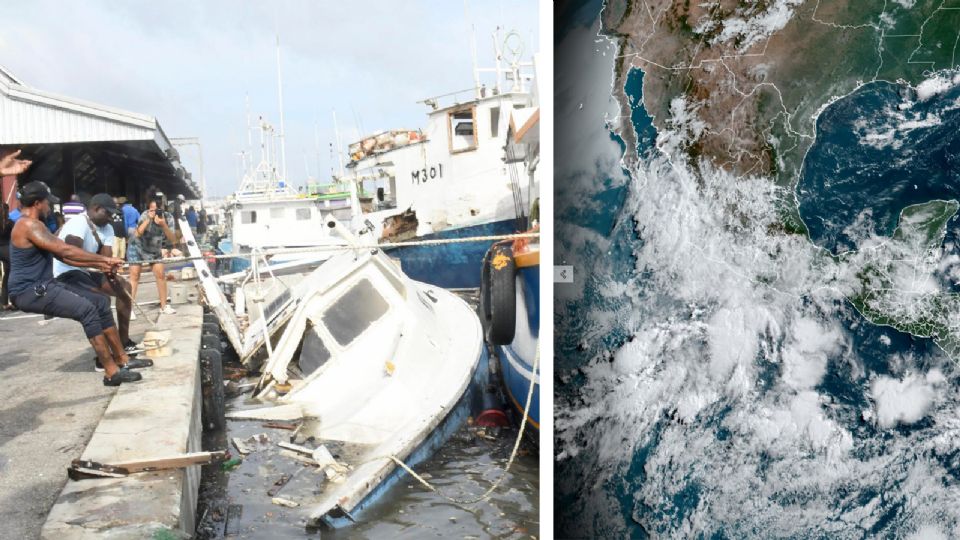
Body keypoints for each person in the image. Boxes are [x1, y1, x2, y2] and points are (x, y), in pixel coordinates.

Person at [8, 181, 141, 385]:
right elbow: (66, 251)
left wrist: (101, 263)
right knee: (87, 309)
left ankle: (122, 359)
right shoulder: (27, 225)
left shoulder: (37, 225)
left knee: (99, 302)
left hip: (42, 286)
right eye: (47, 203)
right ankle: (111, 372)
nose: (50, 207)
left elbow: (65, 258)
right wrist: (103, 260)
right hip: (28, 291)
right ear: (37, 203)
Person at [55, 193, 148, 367]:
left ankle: (124, 341)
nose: (111, 218)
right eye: (108, 213)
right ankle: (104, 357)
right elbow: (72, 253)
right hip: (67, 272)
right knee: (100, 299)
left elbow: (105, 256)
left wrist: (109, 267)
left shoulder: (108, 228)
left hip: (86, 271)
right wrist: (103, 263)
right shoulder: (78, 223)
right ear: (96, 208)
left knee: (125, 287)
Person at [127, 199, 178, 316]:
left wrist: (164, 225)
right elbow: (138, 233)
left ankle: (164, 306)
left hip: (154, 249)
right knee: (134, 276)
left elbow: (173, 239)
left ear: (163, 209)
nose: (155, 212)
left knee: (160, 274)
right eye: (152, 209)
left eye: (158, 210)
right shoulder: (145, 215)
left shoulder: (168, 218)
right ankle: (129, 309)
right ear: (149, 208)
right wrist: (148, 219)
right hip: (137, 246)